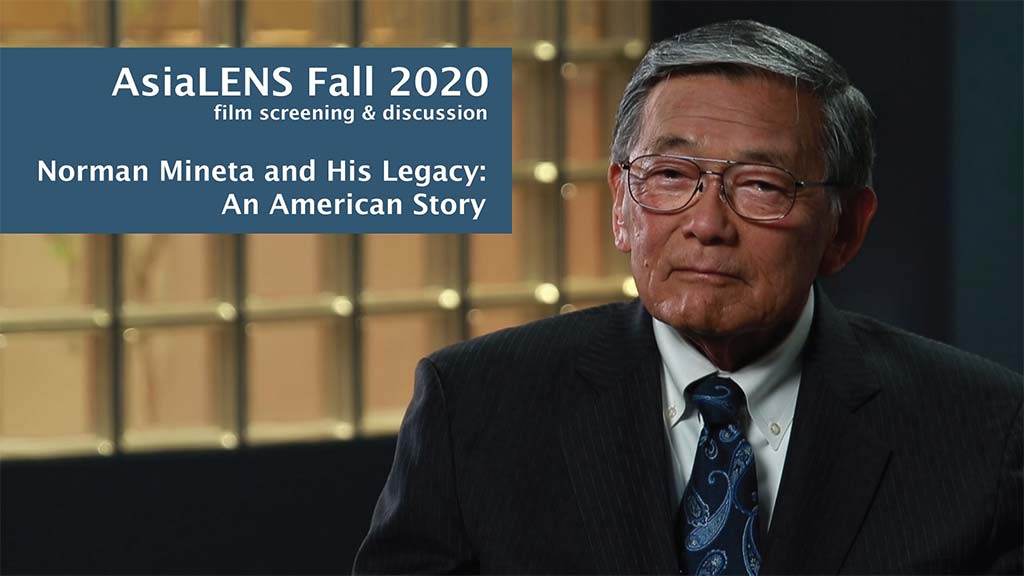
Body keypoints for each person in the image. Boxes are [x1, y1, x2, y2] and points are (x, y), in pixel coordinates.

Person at [353, 20, 1022, 575]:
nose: (706, 224)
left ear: (845, 230)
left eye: (761, 185)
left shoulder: (983, 428)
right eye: (671, 175)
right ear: (621, 206)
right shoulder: (475, 403)